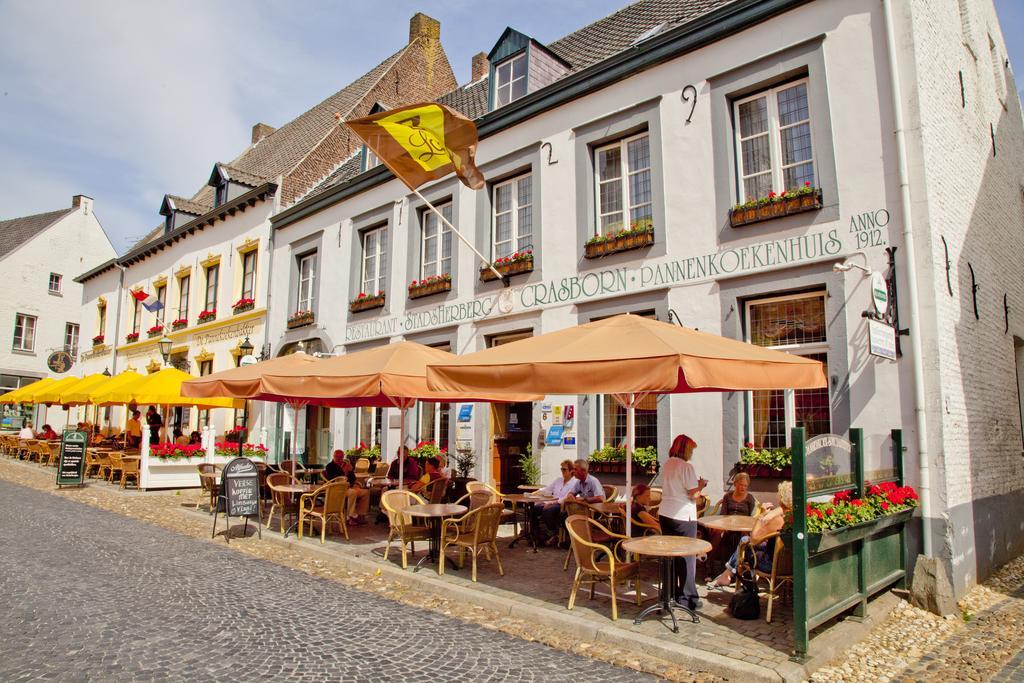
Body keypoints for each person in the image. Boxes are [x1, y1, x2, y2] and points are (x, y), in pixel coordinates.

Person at [708, 481, 792, 589]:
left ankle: (728, 574)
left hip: (770, 565)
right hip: (790, 565)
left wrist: (761, 515)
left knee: (745, 541)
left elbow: (754, 540)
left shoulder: (776, 518)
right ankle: (729, 574)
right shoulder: (795, 516)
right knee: (744, 540)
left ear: (781, 497)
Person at [659, 434, 708, 611]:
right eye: (691, 450)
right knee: (687, 557)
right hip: (683, 515)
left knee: (670, 555)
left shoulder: (668, 464)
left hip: (665, 513)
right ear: (686, 449)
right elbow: (693, 494)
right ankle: (688, 598)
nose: (692, 453)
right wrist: (701, 485)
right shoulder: (686, 467)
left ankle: (670, 592)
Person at [324, 450, 370, 525]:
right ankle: (350, 516)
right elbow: (333, 479)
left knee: (365, 492)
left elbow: (353, 479)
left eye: (341, 457)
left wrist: (351, 472)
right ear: (333, 457)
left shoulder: (346, 465)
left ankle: (360, 515)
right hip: (338, 489)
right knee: (353, 493)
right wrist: (344, 472)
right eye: (337, 457)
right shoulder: (330, 466)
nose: (339, 459)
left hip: (350, 487)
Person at [536, 459, 577, 540]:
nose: (562, 471)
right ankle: (536, 533)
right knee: (534, 508)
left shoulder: (575, 483)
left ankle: (554, 532)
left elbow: (568, 498)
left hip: (562, 504)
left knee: (548, 511)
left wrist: (551, 503)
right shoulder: (558, 480)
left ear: (571, 471)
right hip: (550, 501)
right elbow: (547, 489)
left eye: (564, 469)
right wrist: (536, 492)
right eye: (561, 469)